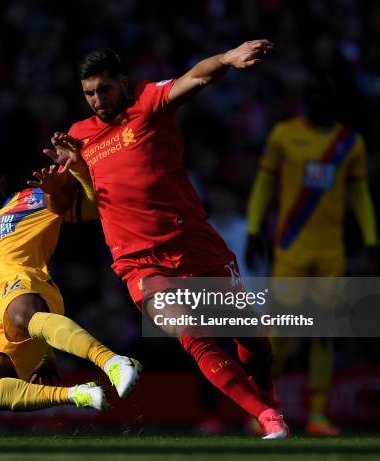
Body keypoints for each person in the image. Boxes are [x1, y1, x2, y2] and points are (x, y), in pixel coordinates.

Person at [44, 44, 289, 438]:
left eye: (104, 90)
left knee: (252, 339)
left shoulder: (147, 101)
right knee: (192, 334)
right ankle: (267, 417)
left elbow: (197, 77)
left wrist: (227, 59)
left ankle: (268, 398)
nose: (97, 100)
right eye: (89, 93)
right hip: (140, 262)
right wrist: (66, 179)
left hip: (192, 241)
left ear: (122, 83)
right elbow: (75, 209)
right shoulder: (77, 137)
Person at [245, 73, 378, 435]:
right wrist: (255, 227)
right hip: (290, 250)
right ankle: (266, 411)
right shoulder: (283, 136)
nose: (318, 103)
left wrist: (371, 237)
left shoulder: (349, 143)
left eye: (325, 97)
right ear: (305, 100)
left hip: (330, 252)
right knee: (282, 335)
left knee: (323, 333)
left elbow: (361, 193)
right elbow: (263, 184)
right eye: (313, 96)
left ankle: (318, 415)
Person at [0, 157, 141, 411]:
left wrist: (75, 174)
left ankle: (112, 362)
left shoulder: (31, 199)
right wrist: (44, 354)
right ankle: (76, 395)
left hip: (23, 284)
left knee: (21, 313)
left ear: (0, 182)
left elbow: (93, 206)